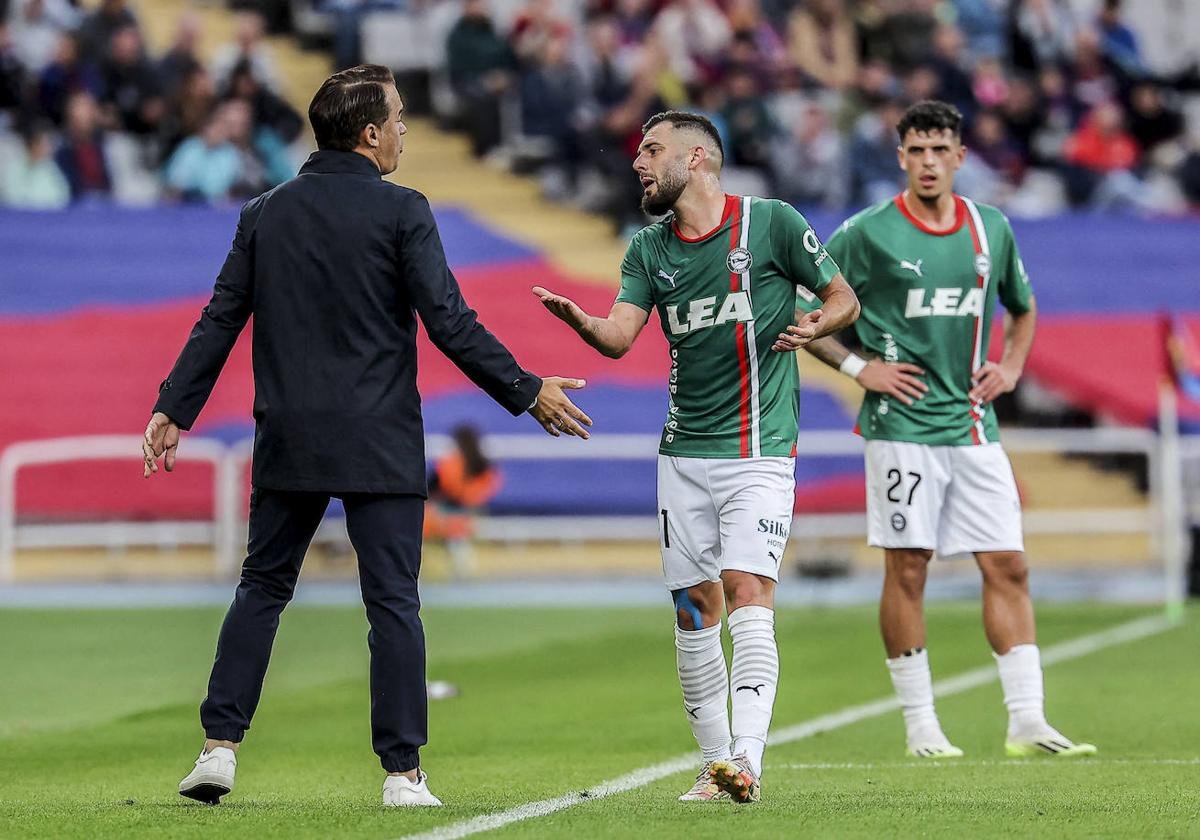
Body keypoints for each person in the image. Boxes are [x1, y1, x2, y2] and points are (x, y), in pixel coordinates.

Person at [141, 64, 591, 808]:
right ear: (371, 133)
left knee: (261, 588)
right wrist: (526, 390)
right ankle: (402, 774)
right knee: (393, 604)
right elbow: (450, 321)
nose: (408, 130)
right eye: (401, 118)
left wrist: (172, 408)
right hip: (379, 439)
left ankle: (219, 748)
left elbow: (220, 318)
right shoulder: (403, 211)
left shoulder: (264, 212)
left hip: (288, 437)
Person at [533, 110, 859, 803]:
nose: (638, 163)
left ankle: (749, 756)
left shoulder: (769, 222)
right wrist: (581, 322)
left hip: (760, 450)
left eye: (651, 150)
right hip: (683, 453)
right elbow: (620, 337)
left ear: (699, 159)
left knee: (747, 590)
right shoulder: (648, 248)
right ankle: (717, 767)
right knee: (692, 608)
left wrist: (817, 323)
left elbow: (843, 298)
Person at [788, 100, 1096, 760]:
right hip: (901, 426)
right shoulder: (868, 233)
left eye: (940, 150)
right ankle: (922, 726)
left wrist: (1011, 366)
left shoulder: (990, 230)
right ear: (901, 157)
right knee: (909, 568)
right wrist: (857, 366)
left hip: (972, 421)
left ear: (960, 157)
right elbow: (804, 309)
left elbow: (1023, 305)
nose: (928, 162)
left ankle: (1027, 721)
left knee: (1009, 563)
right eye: (916, 150)